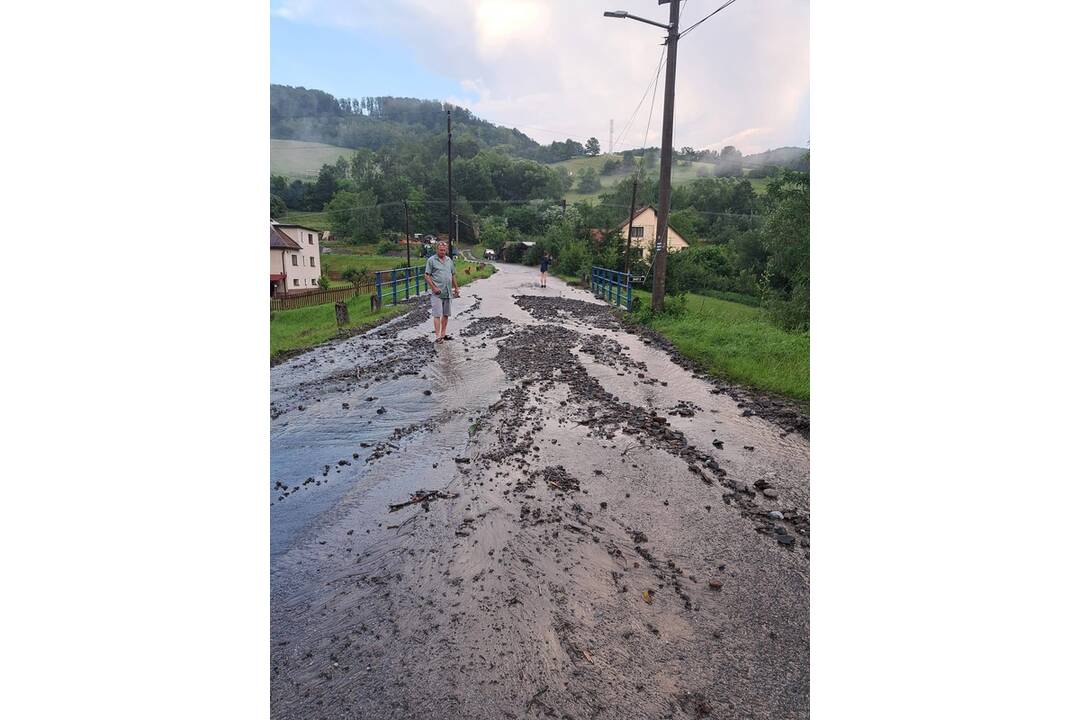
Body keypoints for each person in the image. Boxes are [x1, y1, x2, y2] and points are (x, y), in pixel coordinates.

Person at [424, 241, 460, 342]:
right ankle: (438, 336)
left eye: (444, 250)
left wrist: (456, 288)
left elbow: (453, 274)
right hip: (437, 292)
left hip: (448, 291)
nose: (443, 252)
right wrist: (433, 288)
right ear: (437, 250)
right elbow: (427, 275)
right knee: (437, 314)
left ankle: (443, 334)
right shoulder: (431, 260)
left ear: (446, 250)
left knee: (446, 314)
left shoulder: (449, 260)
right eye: (441, 250)